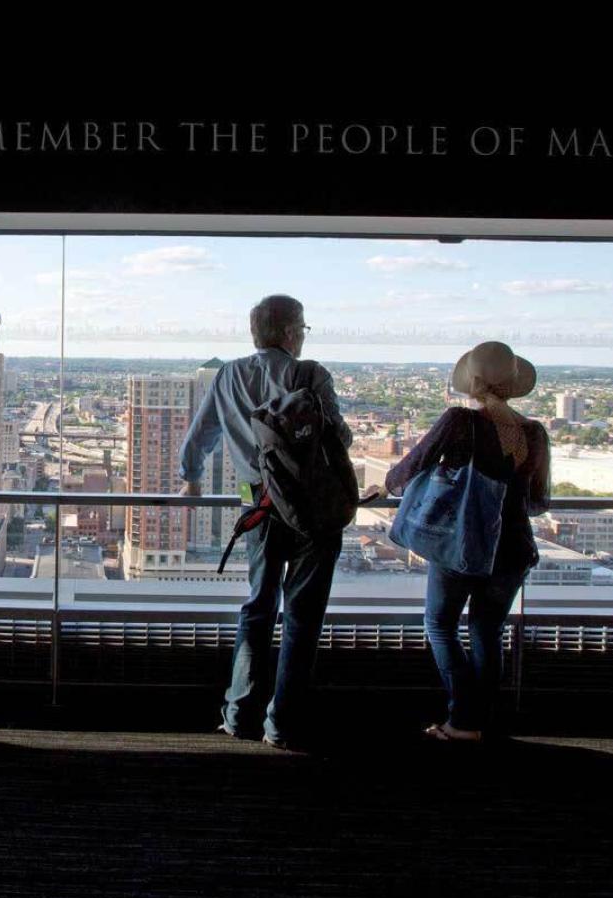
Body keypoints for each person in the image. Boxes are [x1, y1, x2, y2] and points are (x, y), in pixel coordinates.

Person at [179, 294, 353, 751]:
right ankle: (283, 724)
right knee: (302, 615)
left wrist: (192, 480)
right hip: (313, 508)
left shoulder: (228, 375)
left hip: (256, 502)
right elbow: (341, 435)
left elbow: (201, 436)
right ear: (292, 332)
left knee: (258, 606)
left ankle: (239, 715)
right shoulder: (310, 375)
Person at [369, 340, 550, 743]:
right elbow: (537, 502)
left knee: (440, 624)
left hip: (462, 546)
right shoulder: (534, 433)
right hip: (515, 549)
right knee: (487, 631)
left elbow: (412, 465)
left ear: (473, 382)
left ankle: (463, 720)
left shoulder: (460, 422)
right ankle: (482, 721)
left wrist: (383, 487)